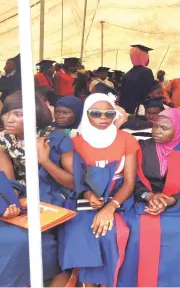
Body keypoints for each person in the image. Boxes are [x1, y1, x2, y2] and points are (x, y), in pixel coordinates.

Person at [0, 91, 74, 287]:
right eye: (6, 113)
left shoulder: (55, 138)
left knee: (24, 239)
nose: (9, 119)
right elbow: (9, 180)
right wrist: (11, 202)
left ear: (35, 114)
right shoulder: (1, 139)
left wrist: (44, 160)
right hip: (23, 194)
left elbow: (72, 183)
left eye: (18, 114)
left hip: (54, 193)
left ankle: (45, 275)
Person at [118, 108, 180, 287]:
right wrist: (149, 195)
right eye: (155, 126)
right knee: (135, 230)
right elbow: (132, 180)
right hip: (144, 202)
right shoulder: (142, 147)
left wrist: (171, 200)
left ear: (179, 129)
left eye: (164, 128)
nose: (157, 131)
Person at [59, 93, 139, 287]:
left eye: (109, 113)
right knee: (82, 231)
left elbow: (129, 182)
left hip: (118, 199)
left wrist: (110, 207)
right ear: (86, 114)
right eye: (96, 113)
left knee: (111, 233)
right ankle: (89, 283)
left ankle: (108, 283)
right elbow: (75, 179)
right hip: (84, 196)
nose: (103, 118)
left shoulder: (126, 139)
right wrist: (88, 194)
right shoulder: (74, 142)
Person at [120, 45, 156, 114]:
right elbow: (150, 91)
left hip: (126, 109)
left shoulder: (127, 74)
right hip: (140, 110)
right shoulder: (147, 72)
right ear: (143, 56)